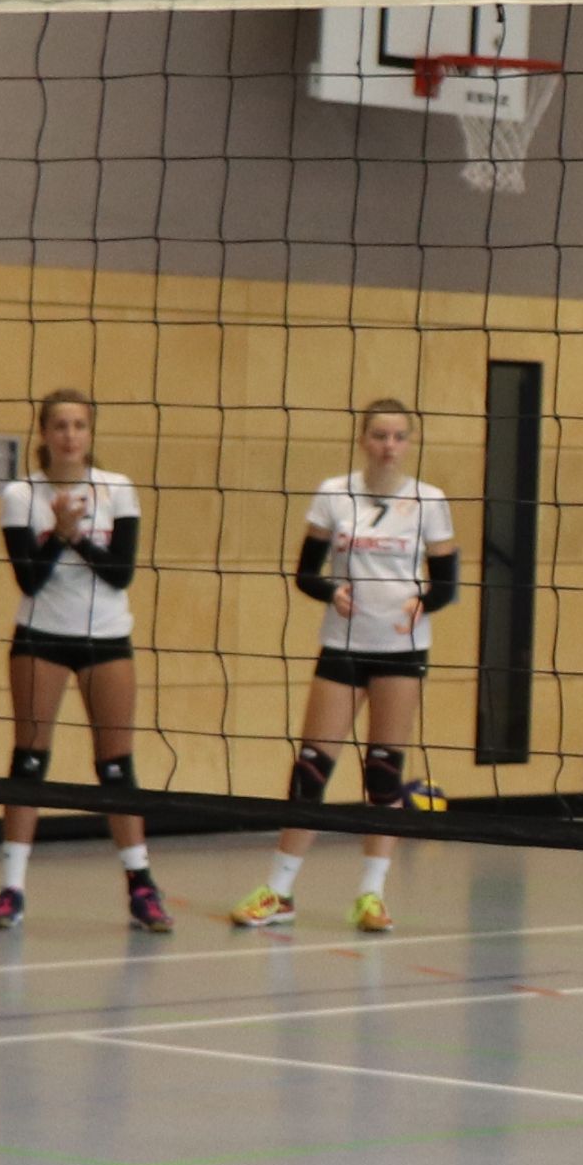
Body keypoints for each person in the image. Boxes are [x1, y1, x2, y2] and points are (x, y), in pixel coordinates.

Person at [235, 398, 451, 936]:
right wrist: (331, 591)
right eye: (380, 435)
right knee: (311, 768)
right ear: (363, 440)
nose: (389, 446)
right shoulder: (334, 494)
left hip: (401, 650)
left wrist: (424, 601)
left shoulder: (428, 500)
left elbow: (447, 584)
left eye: (398, 437)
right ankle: (279, 890)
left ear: (409, 443)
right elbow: (306, 574)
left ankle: (371, 895)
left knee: (384, 772)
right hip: (343, 646)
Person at [0, 389, 165, 936]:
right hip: (40, 636)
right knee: (29, 761)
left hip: (106, 637)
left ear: (90, 434)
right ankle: (12, 888)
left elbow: (120, 573)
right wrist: (59, 535)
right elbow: (30, 580)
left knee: (115, 766)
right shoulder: (21, 494)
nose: (70, 435)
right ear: (44, 434)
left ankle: (141, 887)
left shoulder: (117, 489)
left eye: (79, 426)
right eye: (60, 426)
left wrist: (73, 536)